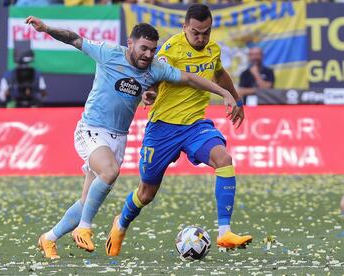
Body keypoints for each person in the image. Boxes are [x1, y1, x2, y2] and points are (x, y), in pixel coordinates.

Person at [26, 16, 238, 259]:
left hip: (118, 137)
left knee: (87, 201)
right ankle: (85, 228)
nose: (148, 54)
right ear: (130, 44)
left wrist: (223, 92)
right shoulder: (108, 53)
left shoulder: (155, 68)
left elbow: (188, 78)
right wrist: (46, 29)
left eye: (152, 49)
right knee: (109, 172)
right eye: (143, 48)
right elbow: (74, 39)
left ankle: (49, 238)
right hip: (91, 129)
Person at [105, 4, 252, 257]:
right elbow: (155, 75)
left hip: (195, 126)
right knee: (146, 193)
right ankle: (120, 223)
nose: (201, 38)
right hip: (162, 128)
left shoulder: (212, 50)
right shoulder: (171, 49)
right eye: (196, 32)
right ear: (185, 27)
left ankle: (224, 232)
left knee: (224, 159)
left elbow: (220, 73)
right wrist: (150, 93)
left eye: (206, 32)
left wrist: (237, 100)